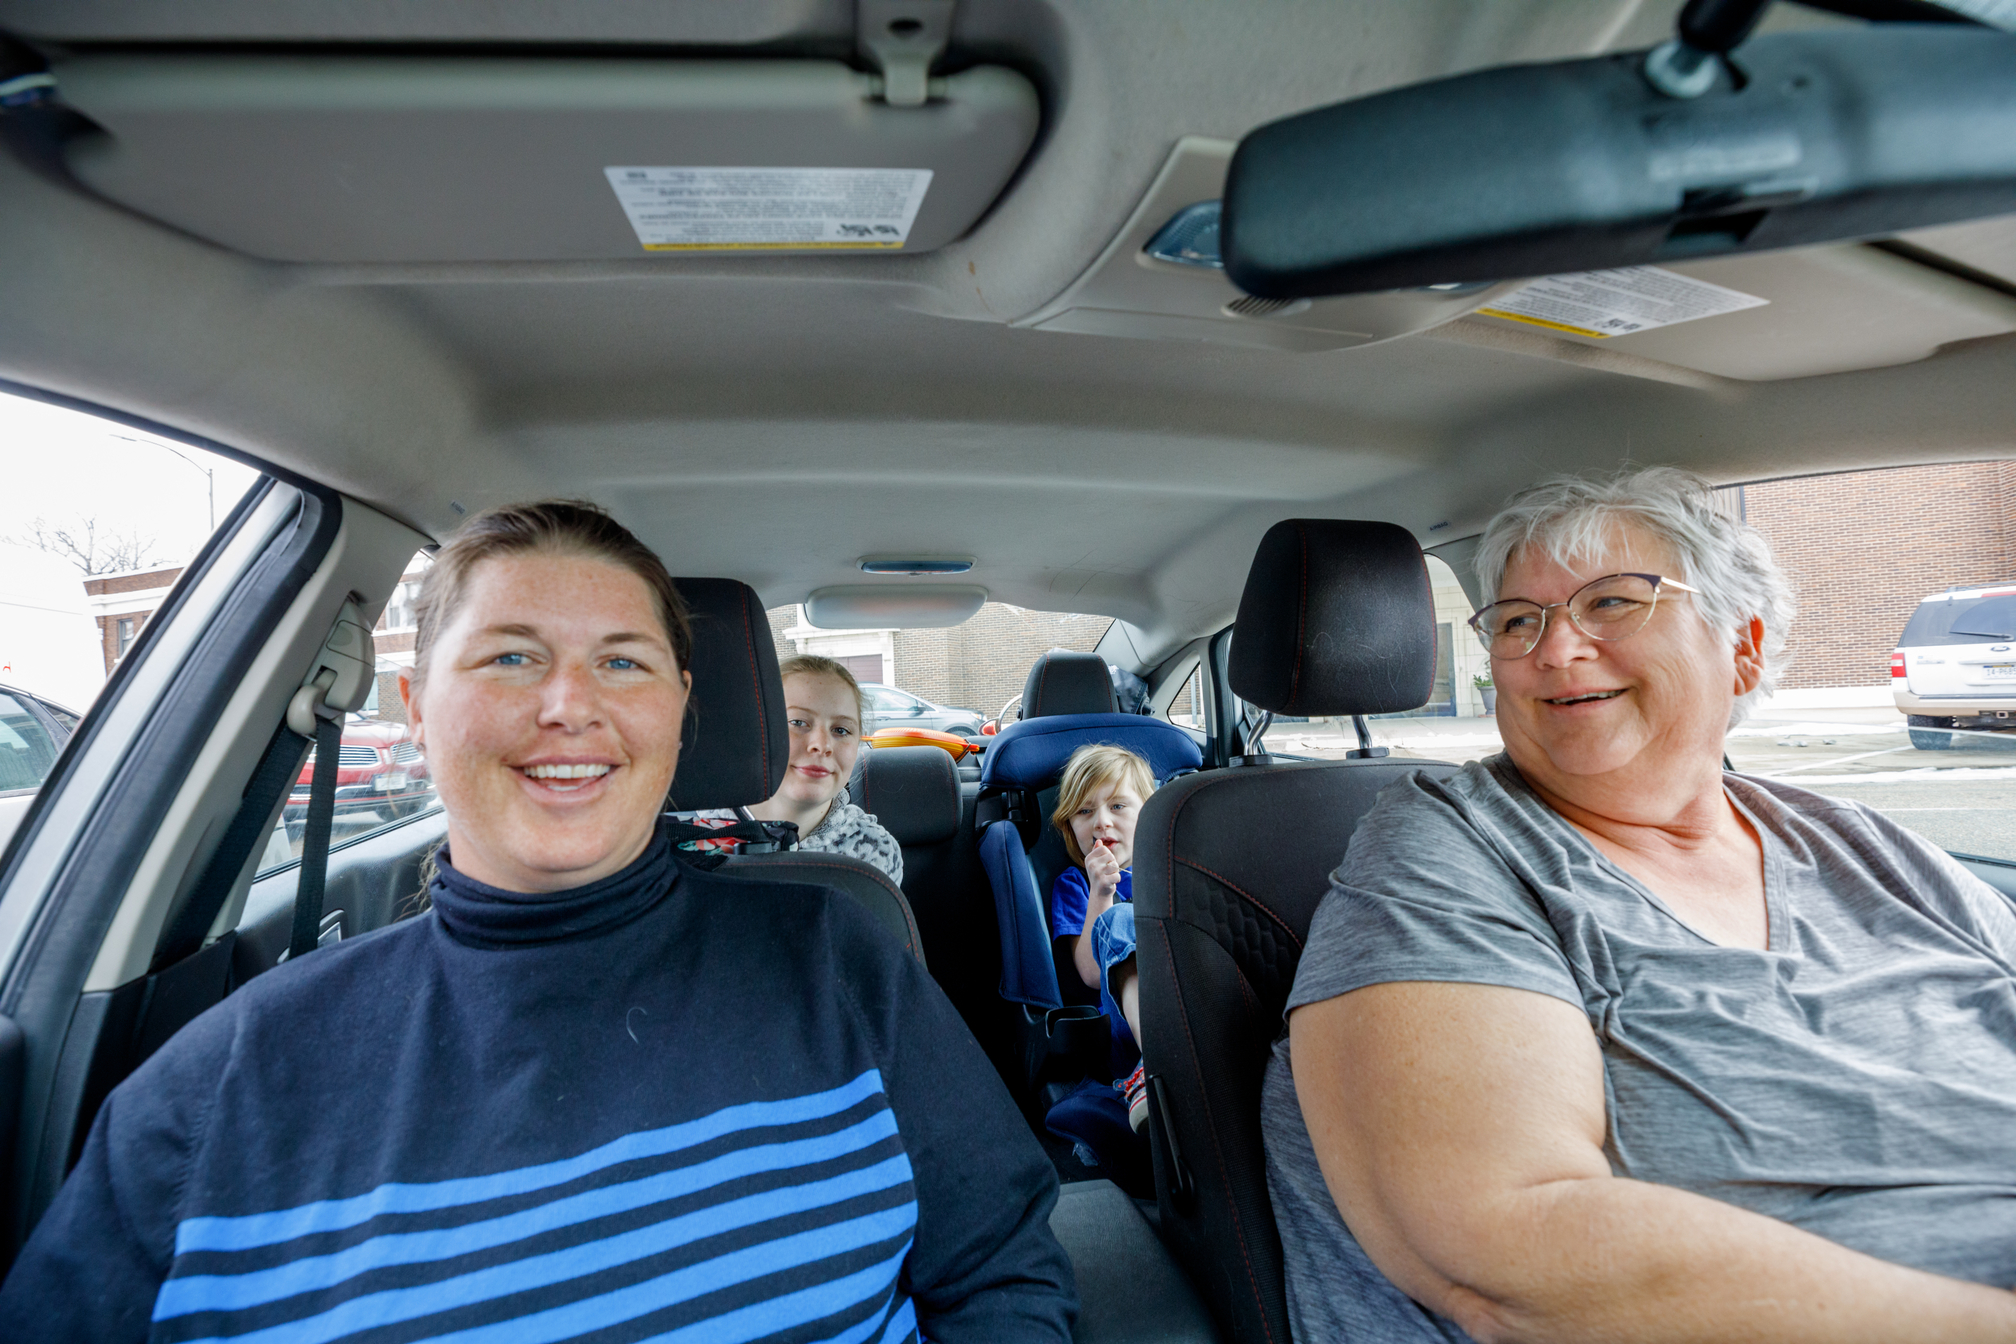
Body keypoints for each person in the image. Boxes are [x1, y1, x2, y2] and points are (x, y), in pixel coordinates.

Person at [0, 501, 1076, 1342]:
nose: (571, 703)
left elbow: (1000, 1271)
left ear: (678, 710)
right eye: (511, 654)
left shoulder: (838, 960)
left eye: (623, 660)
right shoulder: (218, 1090)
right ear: (418, 711)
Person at [1262, 467, 2016, 1343]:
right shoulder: (1453, 850)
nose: (1554, 649)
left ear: (1742, 647)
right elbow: (1503, 1260)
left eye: (1612, 603)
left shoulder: (1865, 846)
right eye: (1517, 621)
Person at [675, 656, 903, 882]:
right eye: (797, 722)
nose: (822, 745)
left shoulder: (876, 852)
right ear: (757, 730)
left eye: (841, 730)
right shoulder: (686, 834)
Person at [1048, 744, 1155, 1131]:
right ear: (1069, 827)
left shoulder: (1171, 871)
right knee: (1119, 922)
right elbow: (1091, 975)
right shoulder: (1076, 886)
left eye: (1118, 807)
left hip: (1188, 1004)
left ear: (1151, 813)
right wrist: (1102, 893)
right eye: (1085, 811)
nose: (1102, 822)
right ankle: (1159, 1065)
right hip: (1125, 1040)